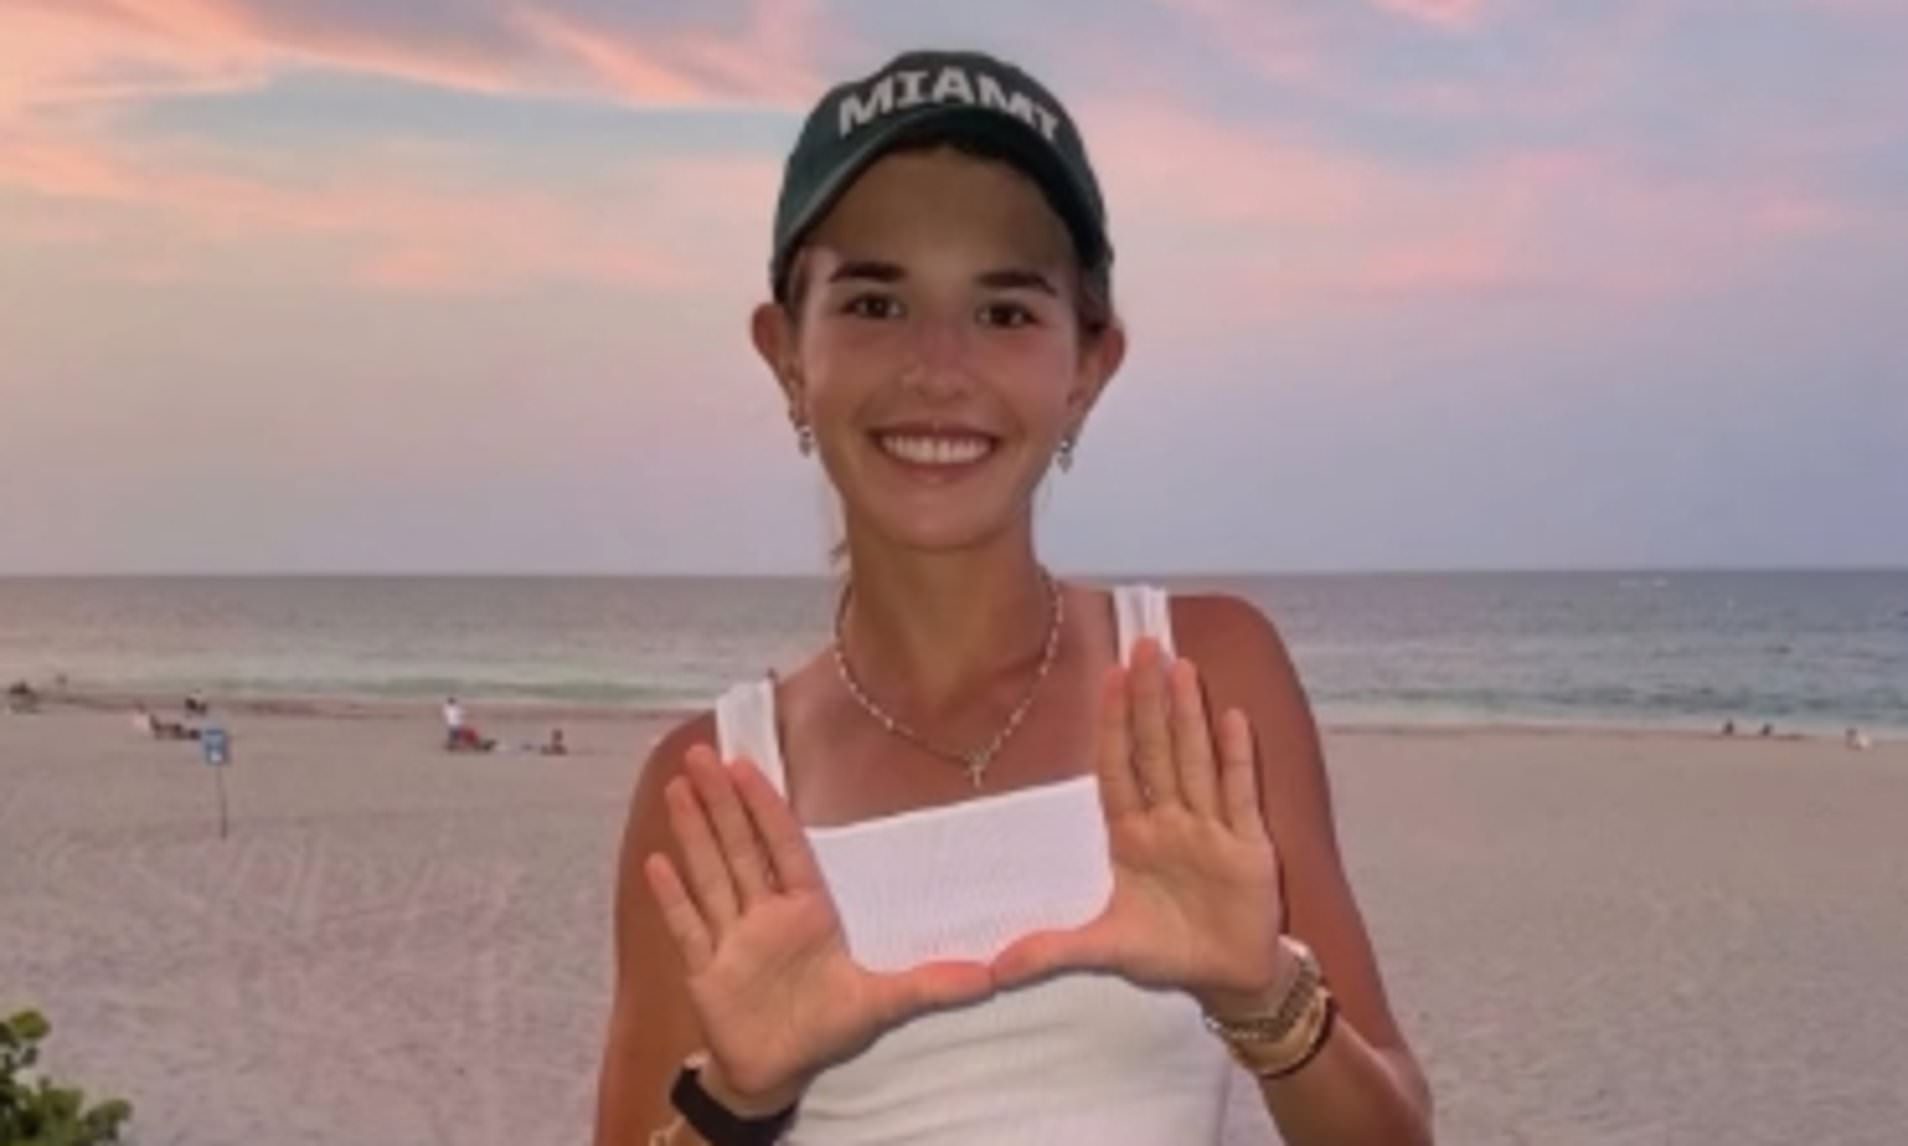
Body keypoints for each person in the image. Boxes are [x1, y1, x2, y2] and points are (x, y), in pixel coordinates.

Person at [593, 50, 1433, 1146]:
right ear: (786, 355)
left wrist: (1263, 998)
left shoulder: (1201, 680)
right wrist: (738, 1103)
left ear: (1088, 367)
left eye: (1004, 313)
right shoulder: (715, 787)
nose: (938, 367)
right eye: (876, 301)